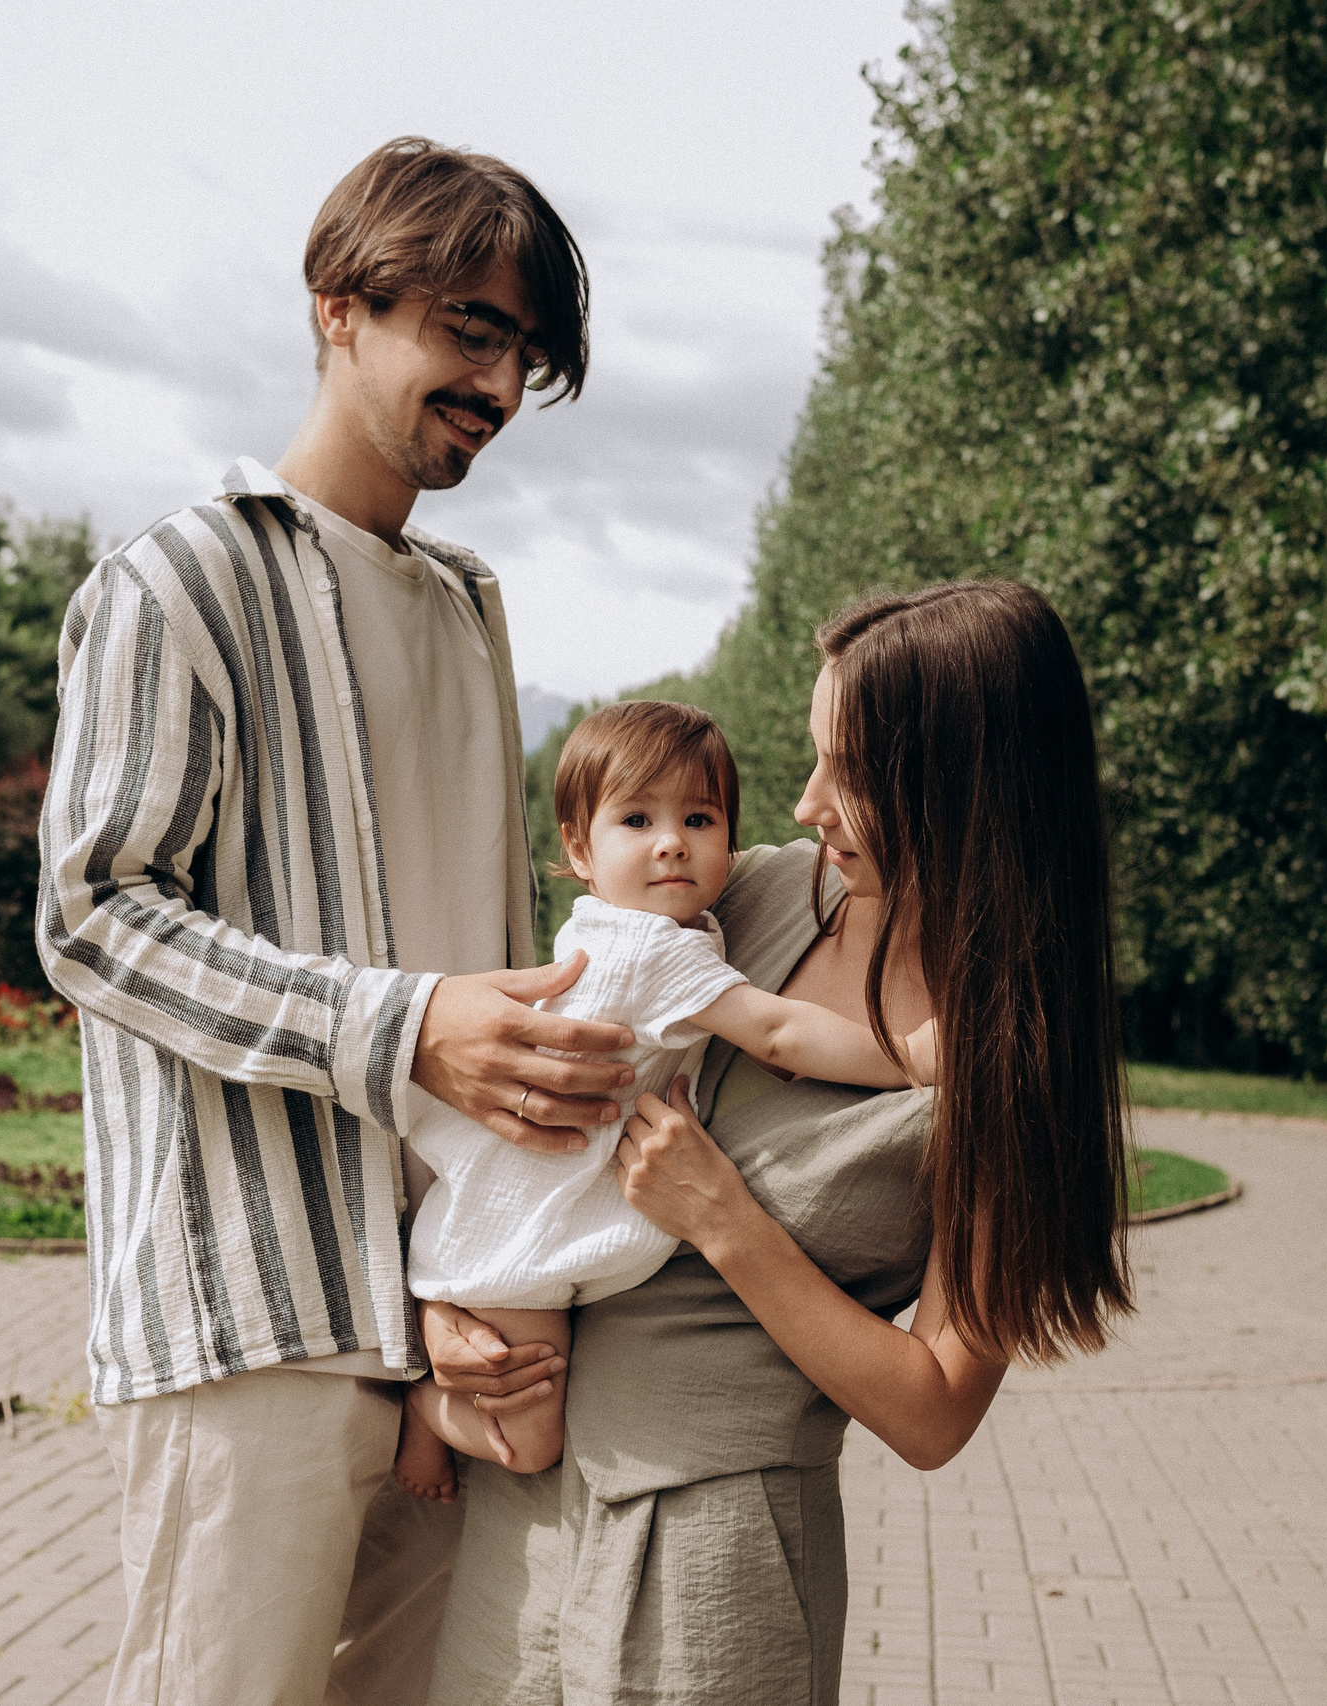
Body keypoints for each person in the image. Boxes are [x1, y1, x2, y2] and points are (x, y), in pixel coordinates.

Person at [36, 137, 625, 1706]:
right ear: (336, 309)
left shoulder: (471, 609)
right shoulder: (177, 583)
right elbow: (93, 913)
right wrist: (402, 1020)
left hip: (453, 1322)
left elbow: (499, 948)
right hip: (255, 1320)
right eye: (470, 331)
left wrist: (496, 1278)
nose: (497, 388)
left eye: (523, 355)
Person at [423, 579, 1136, 1706]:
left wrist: (726, 1219)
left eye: (848, 771)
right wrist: (453, 1306)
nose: (808, 804)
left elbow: (933, 1408)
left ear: (962, 786)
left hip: (716, 1545)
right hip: (532, 1500)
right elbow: (534, 1107)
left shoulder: (1013, 1070)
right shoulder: (746, 897)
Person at [393, 700, 930, 1503]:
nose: (672, 840)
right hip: (522, 1236)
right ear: (578, 847)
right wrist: (910, 1057)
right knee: (532, 1437)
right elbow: (779, 1033)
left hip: (521, 1203)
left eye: (700, 818)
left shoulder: (619, 926)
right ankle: (424, 1413)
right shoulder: (651, 950)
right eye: (637, 819)